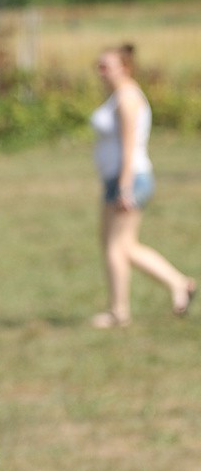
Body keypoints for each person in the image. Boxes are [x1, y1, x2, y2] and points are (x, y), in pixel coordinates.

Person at [89, 43, 196, 328]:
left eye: (106, 66)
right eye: (98, 65)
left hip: (130, 178)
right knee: (116, 245)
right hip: (118, 179)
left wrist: (124, 187)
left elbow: (128, 146)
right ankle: (131, 304)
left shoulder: (127, 97)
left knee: (119, 247)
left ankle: (123, 310)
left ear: (124, 67)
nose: (100, 71)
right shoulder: (117, 96)